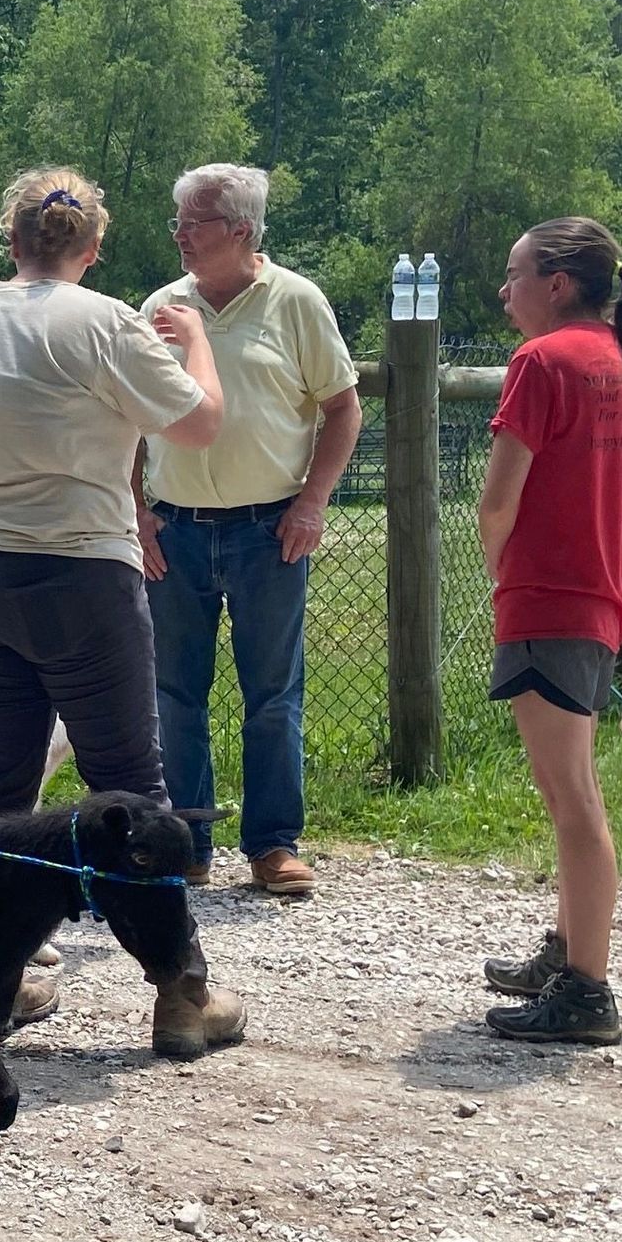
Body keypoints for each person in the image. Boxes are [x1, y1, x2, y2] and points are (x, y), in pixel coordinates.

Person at [0, 167, 224, 1024]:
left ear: (12, 240)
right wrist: (192, 342)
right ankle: (183, 992)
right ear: (91, 249)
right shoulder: (105, 322)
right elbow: (200, 423)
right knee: (130, 784)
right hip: (79, 573)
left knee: (1, 779)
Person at [136, 164, 363, 895]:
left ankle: (271, 845)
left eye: (193, 223)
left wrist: (312, 502)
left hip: (270, 532)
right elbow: (127, 419)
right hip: (172, 530)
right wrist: (133, 510)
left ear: (241, 230)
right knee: (176, 692)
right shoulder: (160, 306)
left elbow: (343, 408)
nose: (179, 235)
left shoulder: (296, 301)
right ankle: (187, 843)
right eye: (177, 221)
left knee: (272, 696)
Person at [478, 216, 622, 1046]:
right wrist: (591, 522)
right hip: (593, 599)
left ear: (557, 284)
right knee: (572, 792)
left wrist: (505, 563)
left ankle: (587, 991)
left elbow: (495, 502)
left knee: (574, 801)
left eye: (515, 275)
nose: (505, 290)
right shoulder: (620, 359)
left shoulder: (541, 360)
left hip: (544, 599)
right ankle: (569, 950)